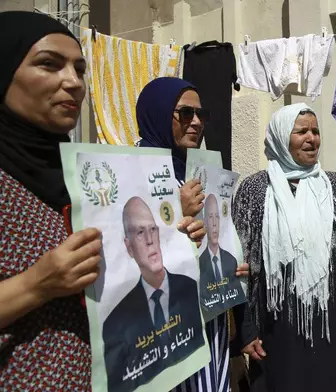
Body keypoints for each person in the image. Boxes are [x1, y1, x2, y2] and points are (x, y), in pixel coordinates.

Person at [0, 11, 203, 389]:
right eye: (49, 65)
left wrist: (173, 239)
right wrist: (34, 285)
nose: (73, 83)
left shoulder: (83, 175)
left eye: (80, 70)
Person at [232, 103, 336, 392]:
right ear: (280, 137)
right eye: (301, 131)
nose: (312, 138)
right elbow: (240, 262)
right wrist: (245, 329)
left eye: (315, 131)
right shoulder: (255, 189)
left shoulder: (333, 184)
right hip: (282, 325)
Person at [136, 76, 249, 392]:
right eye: (185, 113)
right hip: (165, 330)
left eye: (202, 115)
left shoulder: (200, 170)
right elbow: (125, 255)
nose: (197, 123)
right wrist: (177, 212)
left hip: (208, 321)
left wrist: (234, 267)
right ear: (158, 113)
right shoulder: (132, 170)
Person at [102, 196, 205, 391]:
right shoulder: (115, 323)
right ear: (129, 246)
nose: (150, 240)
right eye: (140, 233)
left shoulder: (190, 289)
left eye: (153, 230)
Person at [199, 194, 244, 311]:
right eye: (210, 217)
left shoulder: (231, 260)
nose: (214, 223)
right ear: (204, 222)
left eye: (217, 217)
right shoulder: (199, 263)